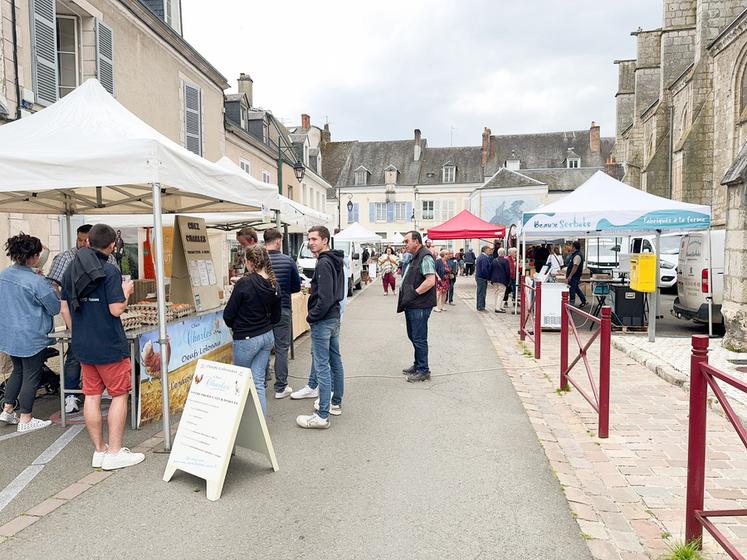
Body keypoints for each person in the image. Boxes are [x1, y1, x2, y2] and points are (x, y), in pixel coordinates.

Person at [59, 224, 144, 470]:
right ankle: (115, 452)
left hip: (83, 344)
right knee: (118, 395)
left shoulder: (70, 271)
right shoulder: (109, 271)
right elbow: (116, 309)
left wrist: (78, 332)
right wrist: (126, 292)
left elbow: (64, 307)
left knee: (92, 396)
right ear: (112, 246)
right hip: (109, 343)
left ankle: (100, 451)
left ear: (87, 242)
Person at [47, 223, 118, 414]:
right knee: (74, 356)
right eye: (80, 240)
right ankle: (71, 395)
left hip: (101, 320)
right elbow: (53, 284)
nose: (83, 243)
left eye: (86, 240)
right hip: (78, 316)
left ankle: (103, 389)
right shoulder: (66, 259)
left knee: (97, 361)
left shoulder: (109, 259)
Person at [0, 234, 60, 433]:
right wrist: (46, 283)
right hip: (31, 334)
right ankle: (26, 418)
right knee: (32, 374)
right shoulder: (36, 282)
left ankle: (7, 409)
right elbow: (54, 307)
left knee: (18, 370)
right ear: (34, 257)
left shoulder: (4, 275)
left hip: (9, 333)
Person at [295, 226, 346, 429]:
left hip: (324, 319)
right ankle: (335, 403)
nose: (310, 242)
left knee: (323, 365)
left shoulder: (325, 263)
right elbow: (335, 293)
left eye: (314, 239)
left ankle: (322, 415)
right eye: (309, 239)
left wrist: (311, 316)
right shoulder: (333, 260)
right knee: (335, 361)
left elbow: (325, 298)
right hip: (332, 317)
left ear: (325, 241)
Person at [223, 245, 281, 414]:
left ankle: (238, 426)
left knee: (239, 382)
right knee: (257, 383)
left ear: (248, 262)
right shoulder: (273, 283)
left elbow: (228, 314)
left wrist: (237, 325)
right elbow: (276, 317)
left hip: (247, 338)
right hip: (266, 336)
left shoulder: (244, 283)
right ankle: (259, 427)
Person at [263, 228, 301, 399]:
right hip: (283, 308)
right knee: (281, 348)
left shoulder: (258, 261)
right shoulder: (288, 261)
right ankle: (280, 387)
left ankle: (261, 381)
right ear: (278, 241)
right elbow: (296, 287)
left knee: (262, 347)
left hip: (261, 311)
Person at [398, 231, 436, 382]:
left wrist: (414, 293)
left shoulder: (425, 255)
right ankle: (418, 364)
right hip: (413, 304)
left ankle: (423, 370)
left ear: (416, 241)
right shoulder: (416, 255)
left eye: (407, 241)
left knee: (419, 338)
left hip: (419, 304)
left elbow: (430, 280)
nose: (405, 244)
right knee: (413, 336)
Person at [566, 241, 587, 308]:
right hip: (574, 276)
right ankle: (584, 300)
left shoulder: (577, 256)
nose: (571, 248)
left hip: (574, 276)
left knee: (572, 289)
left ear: (574, 247)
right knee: (576, 288)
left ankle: (571, 305)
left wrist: (570, 276)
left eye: (572, 246)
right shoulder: (575, 254)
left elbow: (575, 267)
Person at [490, 247, 511, 313]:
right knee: (501, 293)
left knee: (496, 293)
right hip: (502, 280)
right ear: (504, 254)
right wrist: (508, 280)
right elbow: (508, 271)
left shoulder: (494, 260)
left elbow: (491, 270)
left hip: (494, 279)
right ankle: (498, 308)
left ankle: (498, 306)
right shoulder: (505, 261)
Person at [475, 246, 492, 311]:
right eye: (489, 250)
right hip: (482, 277)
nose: (490, 251)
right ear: (485, 250)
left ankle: (480, 305)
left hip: (480, 276)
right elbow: (484, 269)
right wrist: (487, 277)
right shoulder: (484, 258)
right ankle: (480, 306)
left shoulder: (481, 257)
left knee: (480, 292)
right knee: (481, 292)